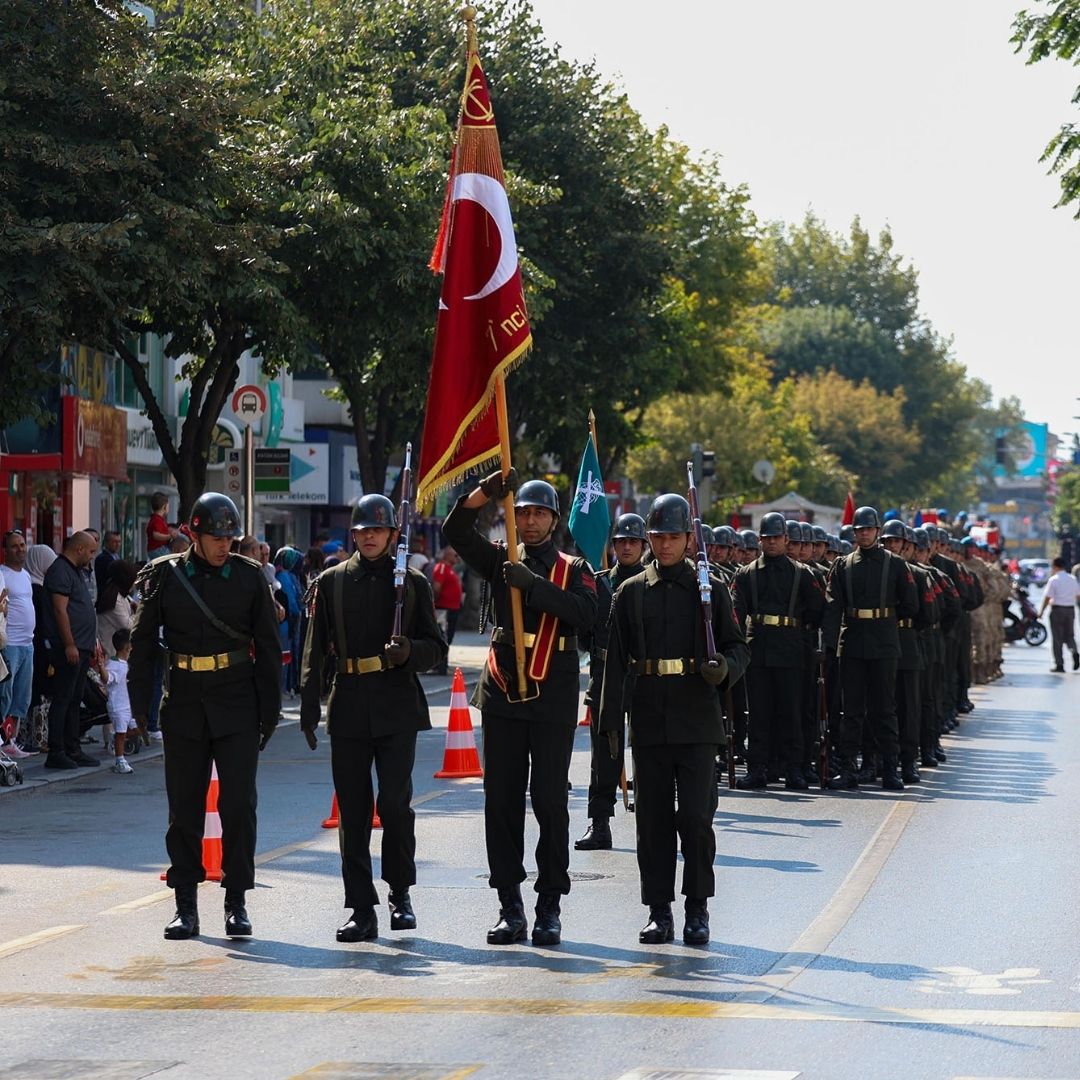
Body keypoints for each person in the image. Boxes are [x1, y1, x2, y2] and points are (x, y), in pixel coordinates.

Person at [442, 470, 597, 947]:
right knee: (501, 800)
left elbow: (589, 615)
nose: (529, 522)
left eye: (538, 514)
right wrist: (487, 492)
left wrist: (534, 586)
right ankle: (509, 903)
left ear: (553, 520)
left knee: (550, 799)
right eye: (523, 513)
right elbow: (454, 531)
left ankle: (549, 903)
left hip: (553, 691)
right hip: (505, 689)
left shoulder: (574, 569)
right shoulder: (500, 560)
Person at [128, 493, 281, 940]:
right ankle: (185, 906)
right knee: (184, 811)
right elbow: (141, 645)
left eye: (230, 537)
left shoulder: (250, 577)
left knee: (238, 807)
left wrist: (269, 712)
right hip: (184, 706)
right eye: (216, 537)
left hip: (236, 703)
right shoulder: (164, 576)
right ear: (193, 534)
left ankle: (236, 901)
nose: (224, 545)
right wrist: (138, 708)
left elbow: (269, 647)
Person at [599, 494, 748, 946]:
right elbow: (616, 661)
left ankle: (697, 908)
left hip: (698, 718)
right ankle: (658, 910)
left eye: (674, 537)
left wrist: (723, 668)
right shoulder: (629, 592)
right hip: (649, 718)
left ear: (689, 538)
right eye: (658, 537)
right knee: (652, 820)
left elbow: (738, 647)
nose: (665, 546)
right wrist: (609, 722)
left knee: (698, 820)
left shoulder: (710, 590)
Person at [299, 494, 446, 943]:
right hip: (348, 705)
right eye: (362, 530)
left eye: (377, 530)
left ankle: (400, 893)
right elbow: (314, 646)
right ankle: (361, 907)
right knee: (354, 812)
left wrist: (410, 653)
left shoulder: (414, 583)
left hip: (396, 704)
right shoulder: (331, 582)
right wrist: (308, 703)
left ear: (392, 535)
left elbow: (435, 648)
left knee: (396, 806)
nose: (369, 537)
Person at [824, 506, 919, 791]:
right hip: (852, 640)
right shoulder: (843, 565)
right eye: (859, 530)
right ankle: (849, 768)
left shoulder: (896, 564)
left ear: (878, 531)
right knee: (851, 711)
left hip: (884, 641)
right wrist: (829, 645)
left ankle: (890, 769)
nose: (864, 534)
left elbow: (911, 603)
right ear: (854, 533)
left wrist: (886, 618)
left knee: (884, 709)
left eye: (868, 529)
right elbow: (833, 606)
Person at [730, 512, 824, 791]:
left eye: (776, 538)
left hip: (791, 648)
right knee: (758, 712)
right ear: (759, 540)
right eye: (766, 538)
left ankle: (794, 768)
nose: (771, 543)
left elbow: (818, 609)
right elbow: (737, 611)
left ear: (786, 539)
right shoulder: (745, 575)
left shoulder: (802, 573)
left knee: (791, 711)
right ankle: (757, 768)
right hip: (758, 647)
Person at [576, 512, 647, 850]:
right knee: (603, 757)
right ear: (613, 545)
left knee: (649, 753)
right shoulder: (599, 583)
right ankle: (599, 822)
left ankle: (651, 819)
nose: (627, 546)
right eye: (621, 541)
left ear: (644, 545)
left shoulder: (652, 583)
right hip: (605, 677)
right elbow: (583, 635)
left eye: (633, 541)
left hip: (644, 677)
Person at [41, 531, 100, 769]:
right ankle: (57, 751)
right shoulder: (60, 571)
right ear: (79, 549)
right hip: (68, 648)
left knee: (75, 699)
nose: (92, 557)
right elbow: (59, 611)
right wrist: (69, 644)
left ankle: (73, 748)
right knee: (63, 699)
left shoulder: (74, 571)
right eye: (91, 551)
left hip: (82, 646)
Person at [1, 530, 37, 758]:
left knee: (21, 697)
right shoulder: (2, 574)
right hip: (10, 644)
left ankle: (10, 741)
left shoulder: (25, 574)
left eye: (22, 544)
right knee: (4, 694)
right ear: (5, 550)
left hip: (27, 644)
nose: (20, 549)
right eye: (15, 546)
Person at [98, 628, 144, 774]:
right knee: (121, 734)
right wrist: (101, 667)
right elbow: (107, 679)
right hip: (118, 706)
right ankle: (120, 760)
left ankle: (114, 739)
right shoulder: (114, 665)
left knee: (139, 729)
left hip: (129, 705)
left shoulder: (126, 662)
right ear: (127, 646)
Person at [1039, 557, 1080, 672]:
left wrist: (1041, 611)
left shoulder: (1054, 580)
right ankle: (1075, 651)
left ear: (1055, 567)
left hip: (1057, 610)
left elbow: (1047, 597)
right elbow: (1078, 595)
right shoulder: (1072, 579)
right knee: (1070, 635)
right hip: (1070, 610)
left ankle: (1059, 664)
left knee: (1057, 638)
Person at [431, 546, 464, 676]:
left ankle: (441, 663)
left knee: (448, 636)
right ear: (447, 555)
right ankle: (440, 665)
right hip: (444, 609)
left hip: (452, 609)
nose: (457, 558)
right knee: (444, 636)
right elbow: (437, 587)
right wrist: (435, 603)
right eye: (455, 555)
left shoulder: (451, 570)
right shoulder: (442, 567)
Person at [95, 560, 137, 658]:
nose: (134, 584)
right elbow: (128, 626)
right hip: (111, 652)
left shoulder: (122, 595)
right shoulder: (114, 599)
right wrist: (138, 613)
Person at [145, 493, 173, 559]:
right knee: (172, 558)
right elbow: (156, 535)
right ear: (164, 507)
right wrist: (169, 536)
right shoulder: (157, 520)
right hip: (158, 549)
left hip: (155, 549)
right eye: (168, 506)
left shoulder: (155, 519)